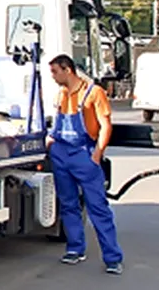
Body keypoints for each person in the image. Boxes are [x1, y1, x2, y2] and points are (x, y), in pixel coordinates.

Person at [46, 54, 123, 275]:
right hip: (62, 152)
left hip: (83, 153)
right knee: (68, 205)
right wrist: (52, 139)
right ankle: (75, 249)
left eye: (55, 72)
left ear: (67, 70)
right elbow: (58, 120)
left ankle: (112, 258)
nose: (53, 76)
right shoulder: (61, 94)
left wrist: (97, 154)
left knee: (98, 207)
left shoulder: (93, 92)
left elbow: (105, 126)